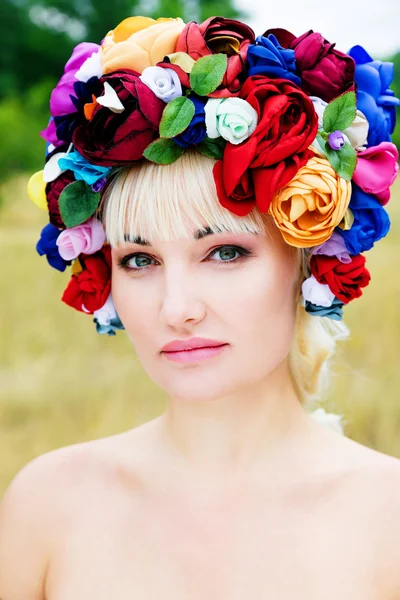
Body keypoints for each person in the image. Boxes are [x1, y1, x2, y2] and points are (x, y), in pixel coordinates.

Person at [1, 14, 400, 600]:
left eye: (225, 252)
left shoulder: (386, 522)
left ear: (309, 258)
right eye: (140, 260)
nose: (177, 308)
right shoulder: (48, 505)